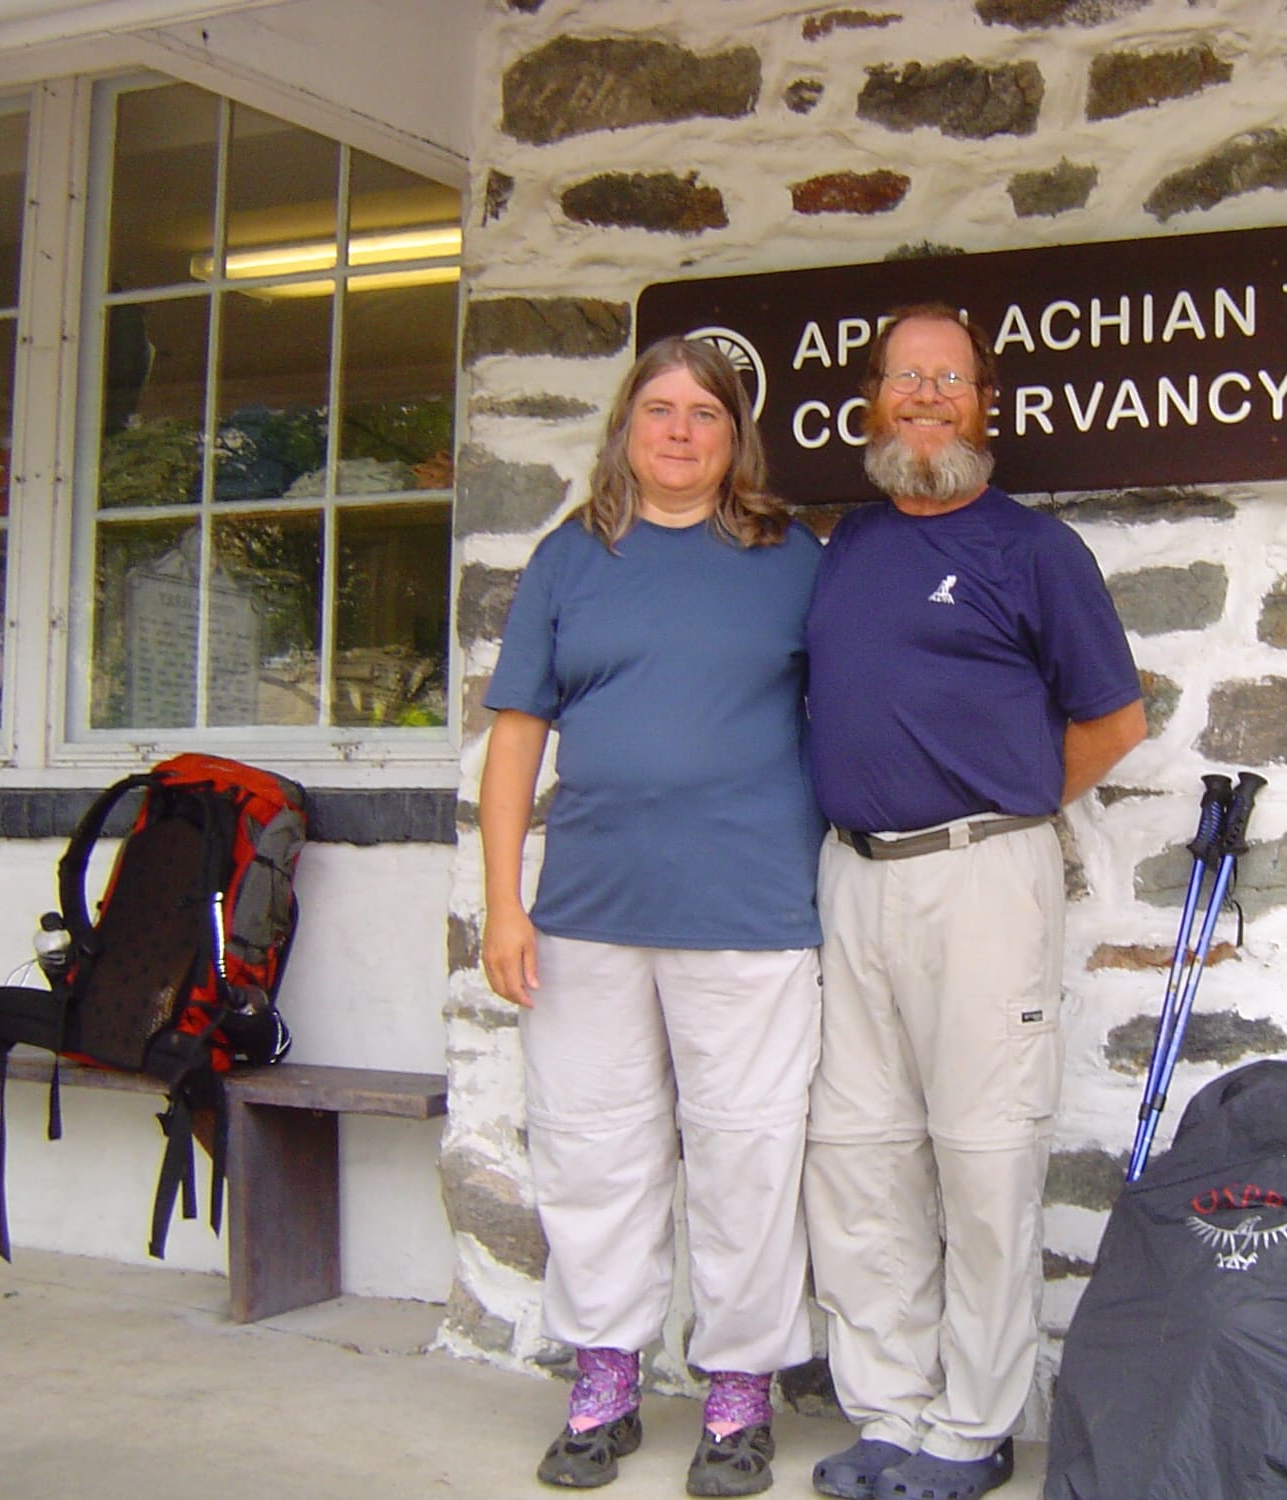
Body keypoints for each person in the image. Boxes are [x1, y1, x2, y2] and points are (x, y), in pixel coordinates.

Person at [802, 304, 1147, 1500]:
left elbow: (1113, 720)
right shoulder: (842, 543)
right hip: (850, 879)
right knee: (858, 1153)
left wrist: (1001, 806)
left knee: (986, 1154)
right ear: (873, 402)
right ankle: (890, 1409)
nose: (926, 397)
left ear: (982, 402)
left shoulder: (1033, 550)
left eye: (947, 378)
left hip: (981, 880)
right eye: (905, 378)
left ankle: (974, 1424)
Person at [479, 336, 825, 1497]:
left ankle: (736, 1393)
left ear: (736, 438)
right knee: (593, 1150)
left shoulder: (793, 559)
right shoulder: (568, 559)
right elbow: (518, 733)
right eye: (659, 410)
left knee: (746, 1156)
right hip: (587, 909)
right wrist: (502, 906)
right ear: (626, 427)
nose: (680, 432)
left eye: (704, 415)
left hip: (749, 906)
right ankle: (606, 1380)